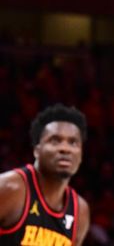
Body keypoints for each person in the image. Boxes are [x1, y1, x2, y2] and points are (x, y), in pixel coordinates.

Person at [0, 104, 91, 245]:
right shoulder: (9, 188)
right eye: (55, 141)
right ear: (37, 150)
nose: (65, 149)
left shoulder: (80, 212)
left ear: (81, 154)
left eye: (73, 143)